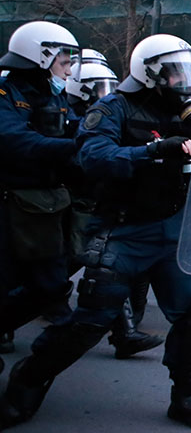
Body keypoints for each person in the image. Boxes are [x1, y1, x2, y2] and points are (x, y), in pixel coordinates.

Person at [0, 34, 191, 430]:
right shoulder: (112, 108)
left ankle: (186, 394)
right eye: (175, 73)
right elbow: (93, 156)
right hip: (125, 228)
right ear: (150, 73)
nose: (183, 82)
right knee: (93, 318)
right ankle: (28, 380)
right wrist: (151, 152)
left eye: (188, 72)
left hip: (176, 228)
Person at [64, 48, 164, 358]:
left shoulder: (114, 111)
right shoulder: (74, 115)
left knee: (99, 263)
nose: (103, 94)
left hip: (91, 198)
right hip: (71, 198)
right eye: (97, 87)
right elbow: (89, 156)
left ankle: (124, 333)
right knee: (73, 263)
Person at [0, 22, 79, 377]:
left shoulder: (54, 91)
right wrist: (73, 149)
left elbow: (75, 127)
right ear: (41, 54)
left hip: (46, 204)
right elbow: (14, 139)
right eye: (64, 58)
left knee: (51, 285)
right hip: (9, 203)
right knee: (5, 280)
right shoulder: (5, 91)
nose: (69, 66)